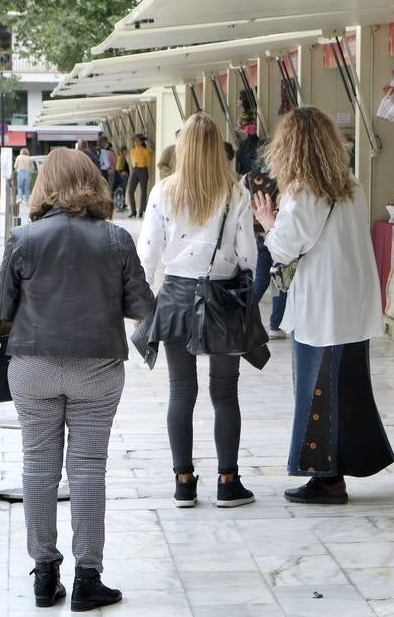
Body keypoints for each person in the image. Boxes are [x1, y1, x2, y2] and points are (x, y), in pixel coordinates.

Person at [0, 149, 155, 610]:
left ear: (45, 185)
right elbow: (142, 306)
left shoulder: (23, 239)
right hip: (97, 370)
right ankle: (88, 578)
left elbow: (3, 309)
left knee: (38, 471)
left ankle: (45, 575)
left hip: (33, 367)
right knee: (87, 470)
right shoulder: (117, 239)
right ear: (92, 182)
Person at [252, 106, 394, 504]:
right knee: (346, 389)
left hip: (321, 304)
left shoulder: (303, 192)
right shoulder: (352, 185)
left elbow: (282, 247)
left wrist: (267, 220)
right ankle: (337, 470)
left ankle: (327, 478)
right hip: (352, 301)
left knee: (316, 389)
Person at [136, 113, 258, 508]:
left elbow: (147, 256)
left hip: (174, 296)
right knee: (225, 391)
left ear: (183, 147)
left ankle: (184, 482)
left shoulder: (163, 192)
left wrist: (141, 307)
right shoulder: (236, 194)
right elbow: (247, 256)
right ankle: (227, 481)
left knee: (180, 391)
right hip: (222, 298)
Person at [244, 148, 287, 340]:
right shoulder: (282, 176)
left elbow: (243, 204)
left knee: (261, 278)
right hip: (278, 231)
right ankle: (275, 326)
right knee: (280, 280)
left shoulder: (247, 178)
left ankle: (243, 317)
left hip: (259, 233)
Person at [127, 135, 152, 218]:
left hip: (143, 170)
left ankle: (141, 211)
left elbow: (149, 163)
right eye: (135, 141)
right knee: (130, 191)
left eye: (137, 141)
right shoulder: (132, 151)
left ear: (142, 142)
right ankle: (133, 211)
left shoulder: (146, 151)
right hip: (135, 170)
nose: (136, 142)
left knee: (143, 191)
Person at [111, 146, 130, 213]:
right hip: (123, 177)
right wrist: (122, 172)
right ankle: (121, 206)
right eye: (126, 151)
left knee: (121, 191)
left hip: (122, 176)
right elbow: (118, 167)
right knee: (122, 191)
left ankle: (122, 205)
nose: (128, 152)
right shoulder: (121, 157)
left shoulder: (122, 157)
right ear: (123, 151)